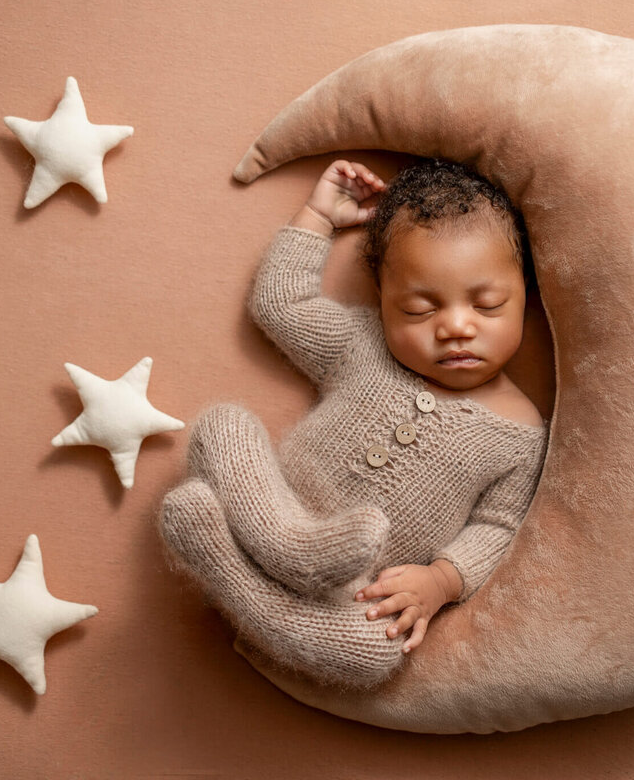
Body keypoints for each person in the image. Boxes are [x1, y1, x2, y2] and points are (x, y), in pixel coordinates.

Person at [160, 158, 547, 687]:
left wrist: (440, 581)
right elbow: (281, 304)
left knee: (377, 652)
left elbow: (498, 527)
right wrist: (318, 216)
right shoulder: (363, 346)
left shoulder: (523, 435)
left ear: (525, 297)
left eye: (488, 304)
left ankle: (228, 570)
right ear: (383, 303)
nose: (456, 326)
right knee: (222, 425)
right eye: (418, 309)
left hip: (349, 589)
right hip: (268, 509)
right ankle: (290, 546)